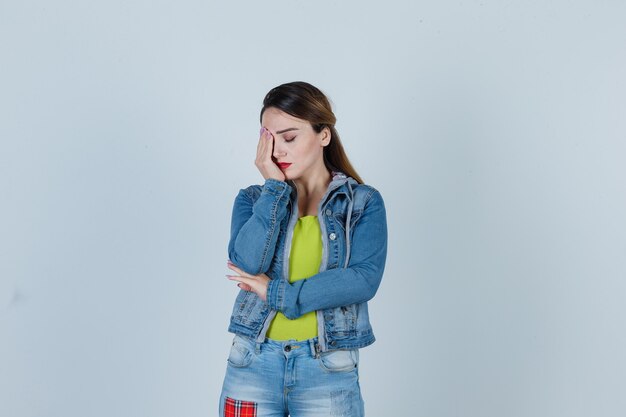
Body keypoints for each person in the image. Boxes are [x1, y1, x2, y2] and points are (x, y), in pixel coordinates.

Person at [220, 81, 387, 417]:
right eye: (268, 139)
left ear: (323, 135)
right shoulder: (254, 200)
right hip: (252, 361)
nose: (277, 152)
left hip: (326, 368)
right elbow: (246, 262)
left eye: (289, 137)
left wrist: (280, 294)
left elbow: (363, 280)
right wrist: (273, 190)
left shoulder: (362, 203)